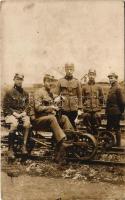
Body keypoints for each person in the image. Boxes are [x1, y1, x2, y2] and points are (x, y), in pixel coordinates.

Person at [32, 74, 74, 162]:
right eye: (48, 81)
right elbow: (38, 108)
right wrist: (51, 108)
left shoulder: (50, 93)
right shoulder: (38, 92)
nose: (50, 83)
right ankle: (62, 140)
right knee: (52, 118)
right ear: (44, 82)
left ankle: (71, 138)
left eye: (51, 81)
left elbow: (53, 103)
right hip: (39, 120)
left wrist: (58, 103)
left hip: (48, 119)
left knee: (64, 118)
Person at [3, 73, 30, 159]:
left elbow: (27, 106)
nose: (19, 81)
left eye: (21, 79)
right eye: (17, 79)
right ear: (14, 80)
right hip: (11, 114)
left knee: (27, 123)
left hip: (22, 114)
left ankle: (23, 146)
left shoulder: (25, 93)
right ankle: (10, 149)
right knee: (14, 124)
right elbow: (5, 107)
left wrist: (24, 113)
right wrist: (15, 114)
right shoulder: (9, 92)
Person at [56, 63, 82, 128]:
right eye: (68, 69)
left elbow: (80, 96)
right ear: (65, 70)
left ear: (73, 70)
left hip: (74, 108)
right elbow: (56, 95)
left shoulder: (77, 81)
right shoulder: (60, 81)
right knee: (64, 125)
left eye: (71, 69)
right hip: (64, 108)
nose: (69, 71)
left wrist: (80, 108)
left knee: (73, 125)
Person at [82, 69, 104, 133]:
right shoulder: (84, 87)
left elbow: (102, 98)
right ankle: (89, 133)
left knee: (97, 116)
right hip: (87, 109)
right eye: (90, 74)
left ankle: (96, 133)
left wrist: (99, 107)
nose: (91, 76)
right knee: (86, 116)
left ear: (95, 76)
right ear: (88, 75)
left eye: (93, 75)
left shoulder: (99, 87)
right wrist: (83, 107)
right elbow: (82, 98)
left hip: (96, 109)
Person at [106, 72, 125, 146]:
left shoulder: (118, 88)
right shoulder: (112, 87)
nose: (110, 79)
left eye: (112, 78)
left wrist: (121, 112)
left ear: (116, 78)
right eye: (109, 78)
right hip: (111, 112)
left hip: (116, 112)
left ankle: (118, 144)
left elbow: (122, 102)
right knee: (109, 128)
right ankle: (110, 142)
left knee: (116, 127)